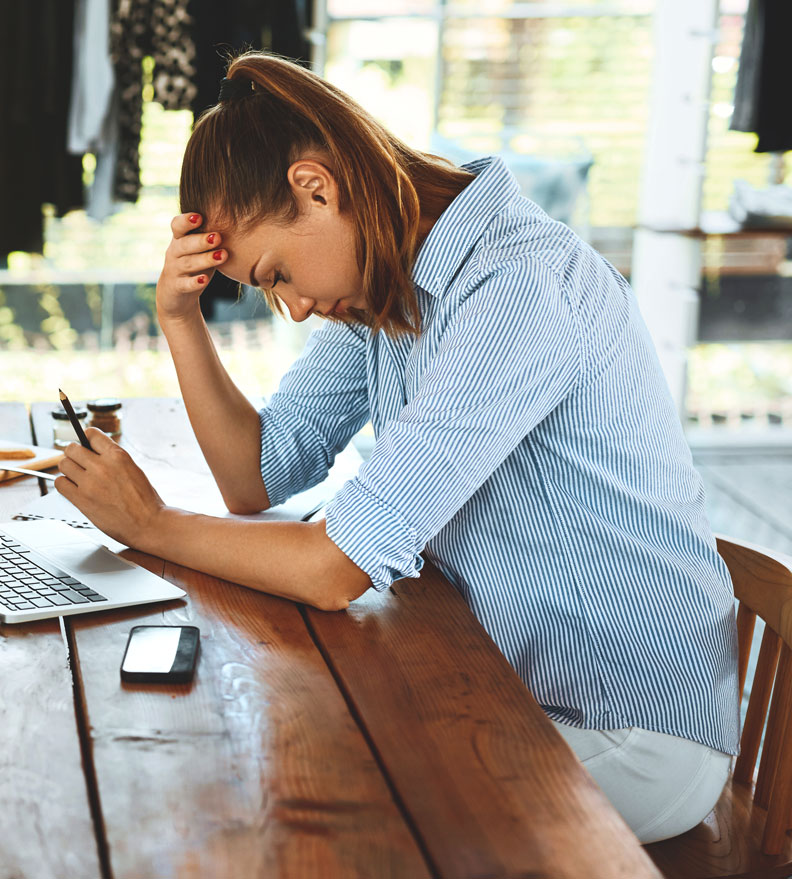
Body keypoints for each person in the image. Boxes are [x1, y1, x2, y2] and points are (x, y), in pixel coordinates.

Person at [54, 51, 738, 843]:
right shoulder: (391, 283)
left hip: (633, 731)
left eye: (276, 273)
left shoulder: (517, 285)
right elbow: (257, 474)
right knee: (286, 769)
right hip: (500, 683)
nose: (297, 306)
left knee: (329, 813)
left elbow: (334, 569)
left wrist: (151, 524)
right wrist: (181, 320)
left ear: (317, 187)